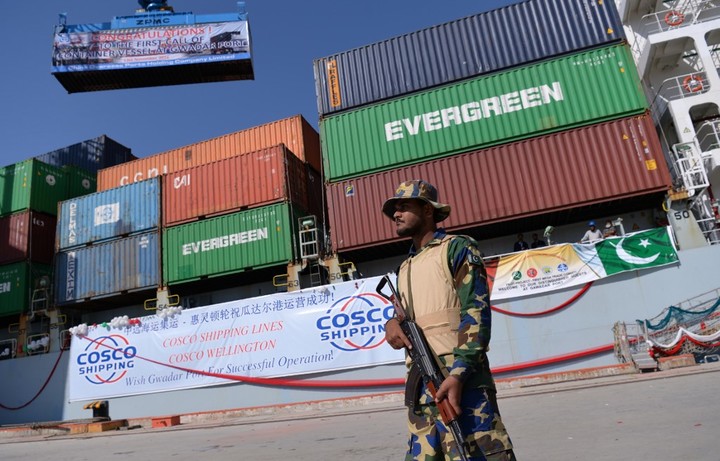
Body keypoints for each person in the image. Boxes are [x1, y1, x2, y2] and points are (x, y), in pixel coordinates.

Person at [382, 179, 515, 461]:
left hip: (460, 383)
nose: (396, 214)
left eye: (404, 206)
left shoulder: (457, 248)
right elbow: (407, 317)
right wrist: (391, 324)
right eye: (395, 209)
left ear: (427, 210)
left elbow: (476, 311)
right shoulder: (404, 268)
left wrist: (458, 374)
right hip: (421, 391)